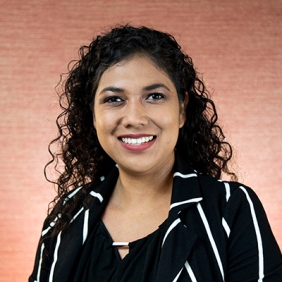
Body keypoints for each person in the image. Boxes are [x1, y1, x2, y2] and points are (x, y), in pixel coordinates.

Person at [29, 25, 282, 282]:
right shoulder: (66, 216)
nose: (135, 118)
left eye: (154, 96)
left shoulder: (230, 208)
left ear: (182, 110)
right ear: (93, 116)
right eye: (114, 99)